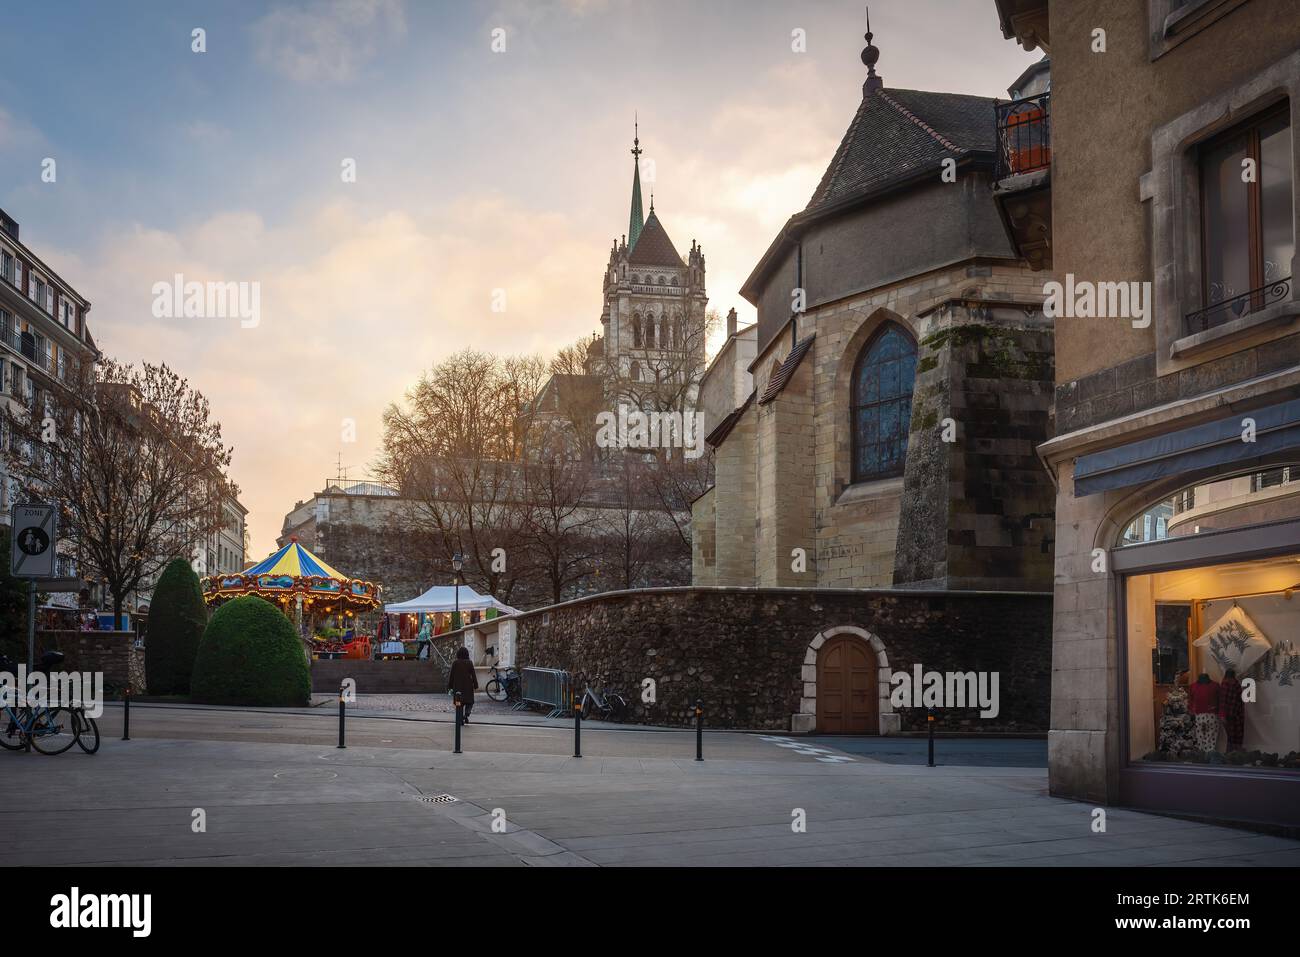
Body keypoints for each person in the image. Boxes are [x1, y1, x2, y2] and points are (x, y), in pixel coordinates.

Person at [448, 646, 479, 723]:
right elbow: (473, 675)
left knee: (459, 703)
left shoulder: (455, 663)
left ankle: (460, 717)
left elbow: (451, 675)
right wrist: (475, 685)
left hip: (457, 686)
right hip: (468, 686)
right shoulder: (469, 662)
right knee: (469, 702)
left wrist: (450, 686)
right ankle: (467, 714)